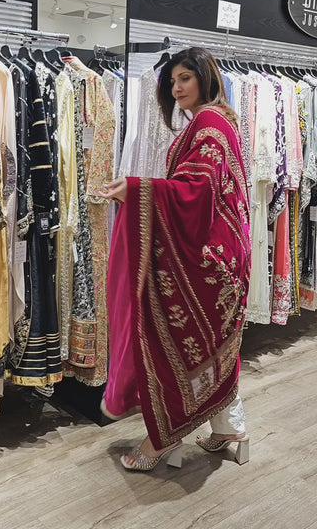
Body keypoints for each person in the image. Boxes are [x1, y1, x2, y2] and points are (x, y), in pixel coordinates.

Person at [99, 47, 251, 471]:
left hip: (209, 257)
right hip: (227, 253)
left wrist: (138, 188)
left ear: (204, 78)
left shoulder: (208, 121)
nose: (176, 88)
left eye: (185, 78)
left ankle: (162, 439)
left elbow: (197, 190)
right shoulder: (222, 119)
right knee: (213, 349)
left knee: (182, 350)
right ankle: (229, 428)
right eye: (172, 81)